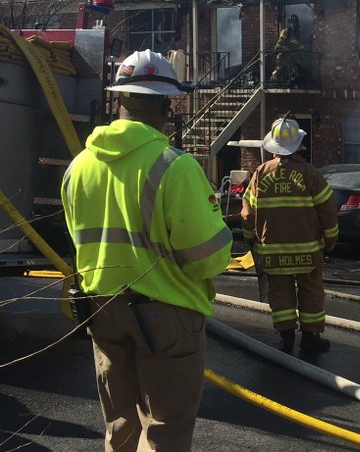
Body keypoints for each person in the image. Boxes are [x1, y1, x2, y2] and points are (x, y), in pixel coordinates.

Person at [61, 49, 233, 452]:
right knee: (164, 432)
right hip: (166, 315)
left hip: (101, 308)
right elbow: (208, 257)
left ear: (118, 100)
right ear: (164, 104)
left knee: (120, 426)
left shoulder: (78, 167)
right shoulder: (174, 167)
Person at [240, 115, 339, 354]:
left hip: (272, 252)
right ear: (298, 145)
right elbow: (327, 210)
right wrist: (331, 238)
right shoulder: (310, 174)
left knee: (280, 291)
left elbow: (247, 213)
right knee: (311, 290)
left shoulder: (261, 173)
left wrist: (249, 238)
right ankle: (310, 337)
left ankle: (285, 337)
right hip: (308, 251)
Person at [270, 14, 304, 87]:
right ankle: (272, 82)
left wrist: (302, 50)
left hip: (291, 56)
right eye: (291, 22)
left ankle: (288, 83)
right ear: (289, 23)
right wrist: (277, 47)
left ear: (296, 23)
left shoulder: (298, 33)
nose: (293, 24)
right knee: (279, 68)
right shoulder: (286, 31)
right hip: (283, 54)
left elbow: (299, 44)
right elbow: (280, 40)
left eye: (294, 22)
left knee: (291, 69)